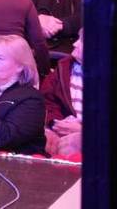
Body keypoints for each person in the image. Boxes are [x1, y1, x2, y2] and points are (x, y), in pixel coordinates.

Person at [41, 31, 84, 159]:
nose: (74, 44)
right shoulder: (64, 67)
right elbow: (46, 101)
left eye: (82, 41)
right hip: (62, 134)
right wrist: (54, 124)